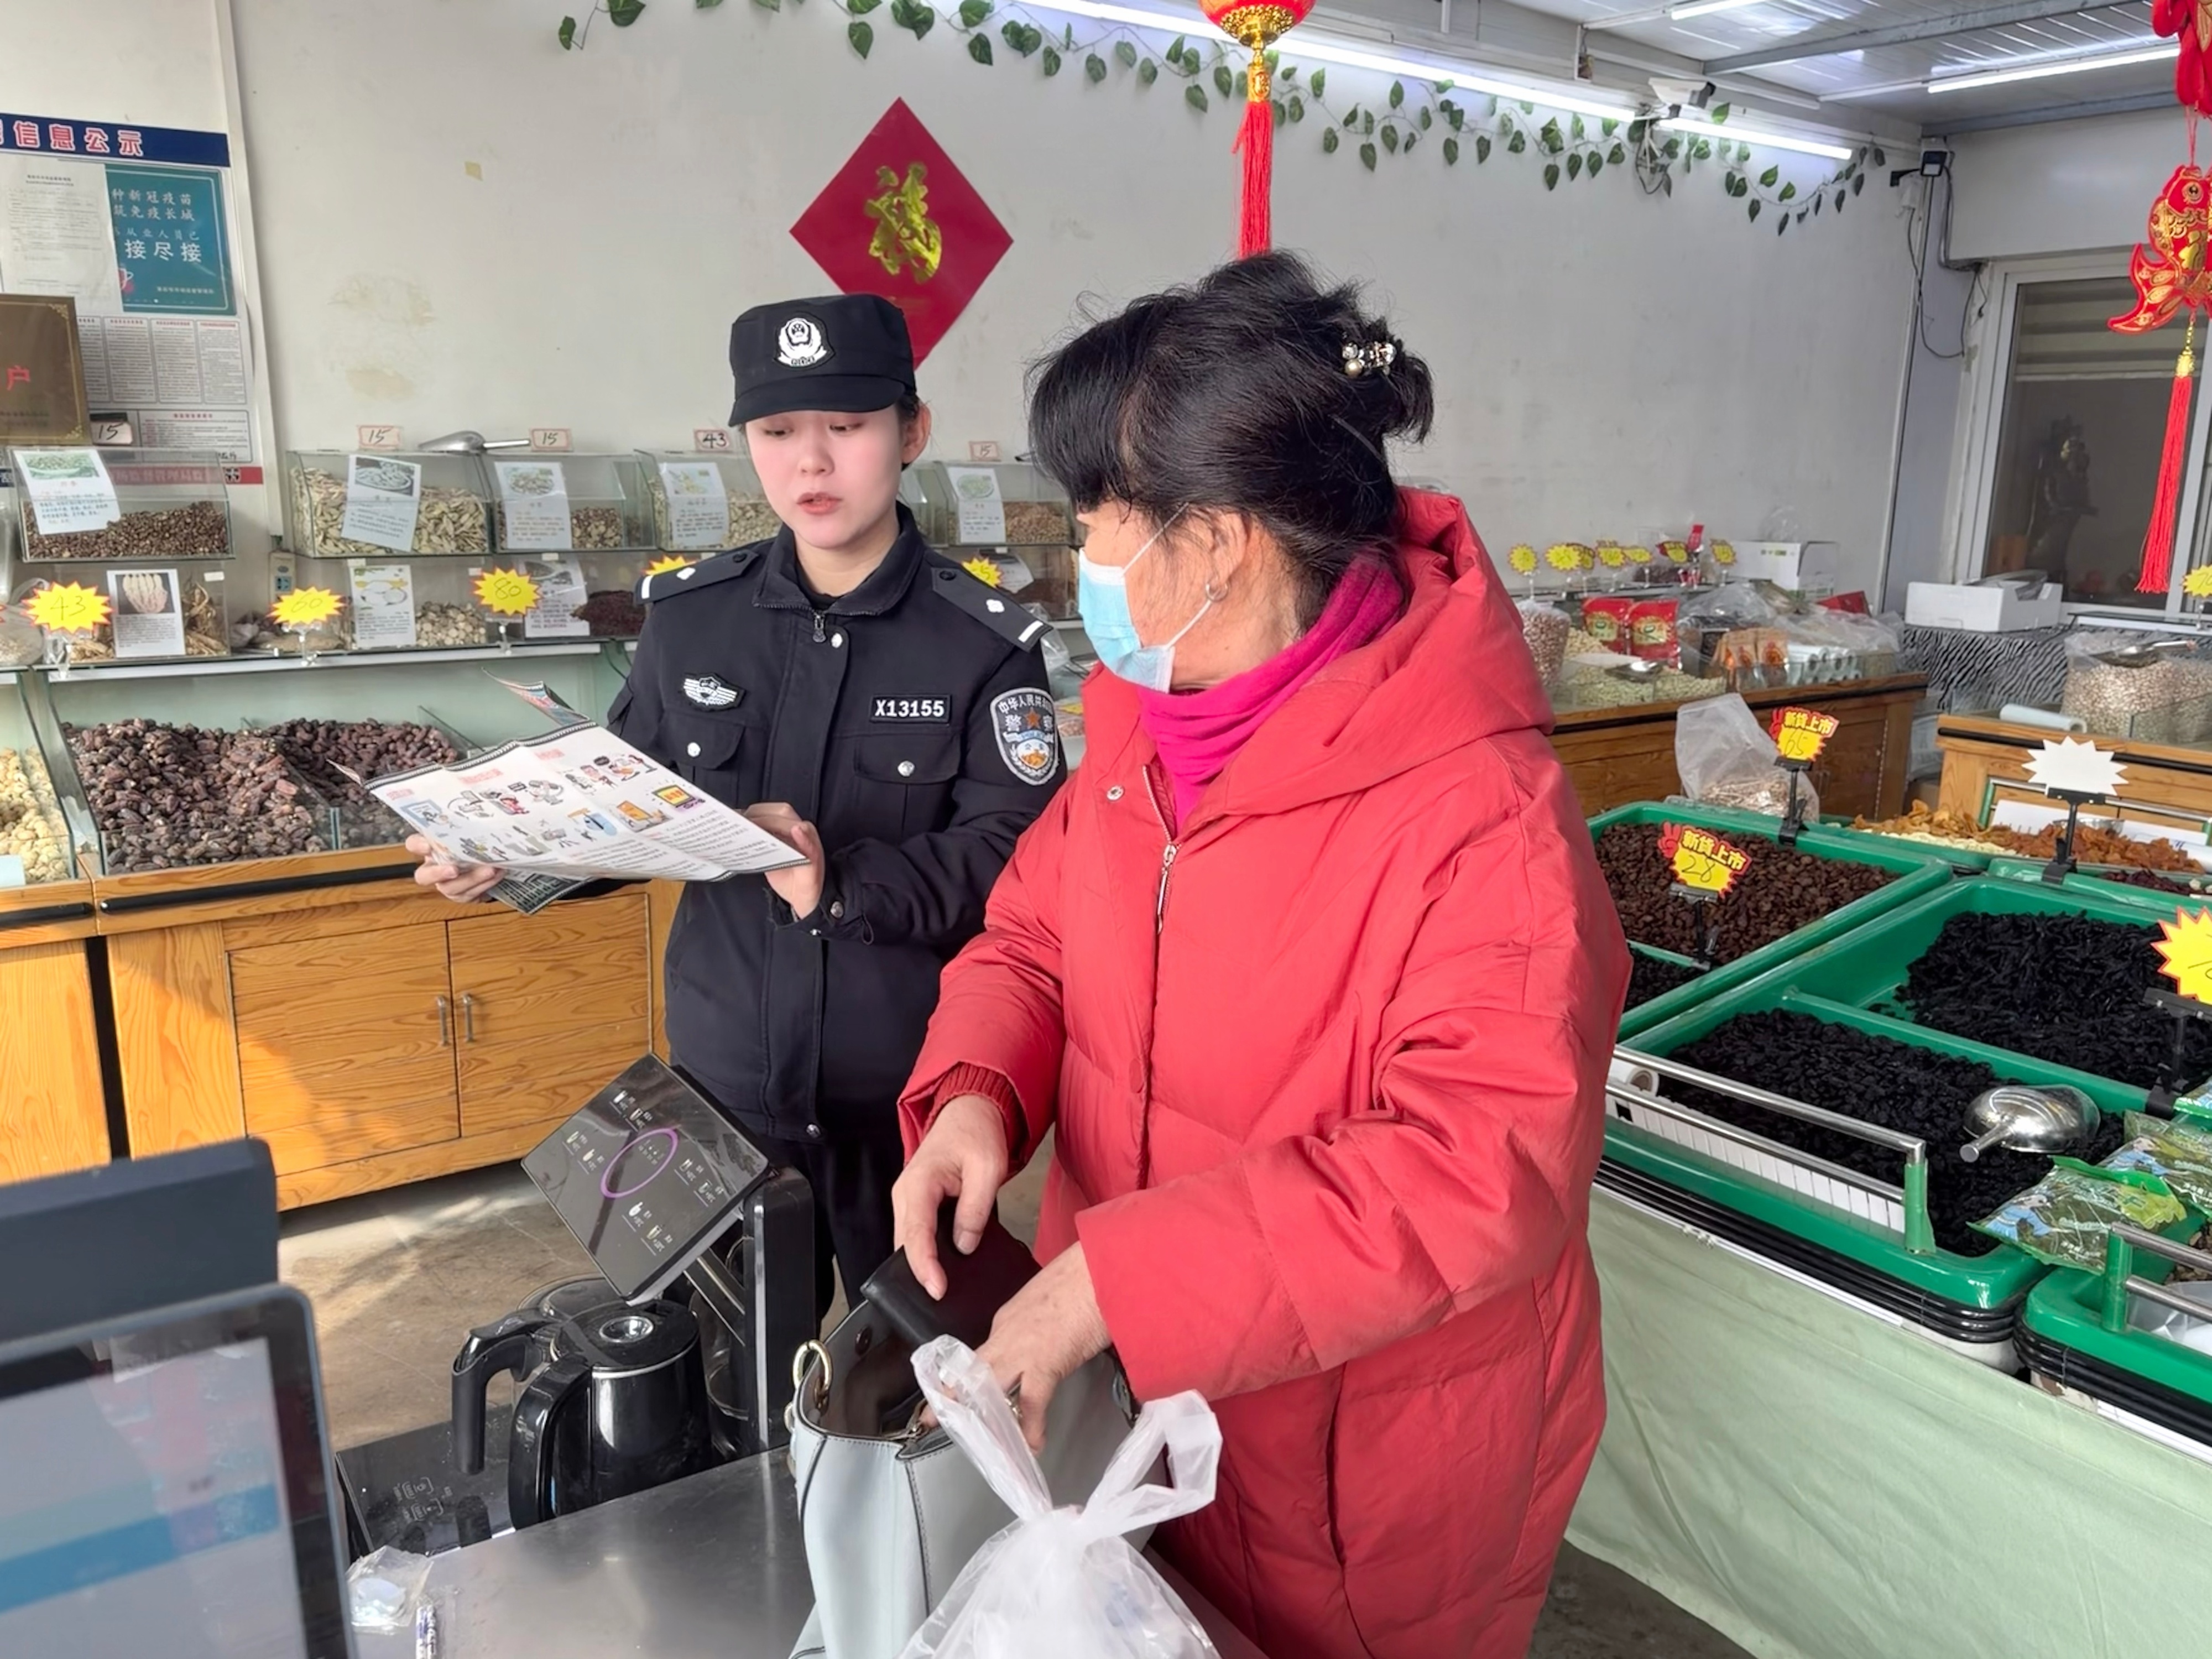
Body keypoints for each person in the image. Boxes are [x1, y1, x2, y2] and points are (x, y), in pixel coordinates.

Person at [890, 254, 1628, 1659]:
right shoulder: (1144, 730)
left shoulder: (1481, 812)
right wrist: (977, 1088)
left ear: (1219, 542)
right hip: (1137, 1409)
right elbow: (1034, 936)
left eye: (1098, 520)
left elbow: (1476, 1165)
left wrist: (1110, 1286)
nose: (1081, 557)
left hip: (1363, 1475)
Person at [414, 293, 1063, 1312]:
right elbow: (626, 806)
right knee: (724, 1377)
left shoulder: (979, 642)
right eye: (778, 432)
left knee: (927, 1375)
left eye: (846, 426)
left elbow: (1017, 858)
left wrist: (838, 882)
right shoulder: (692, 620)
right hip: (720, 1096)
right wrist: (516, 856)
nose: (813, 463)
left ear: (912, 432)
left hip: (905, 1103)